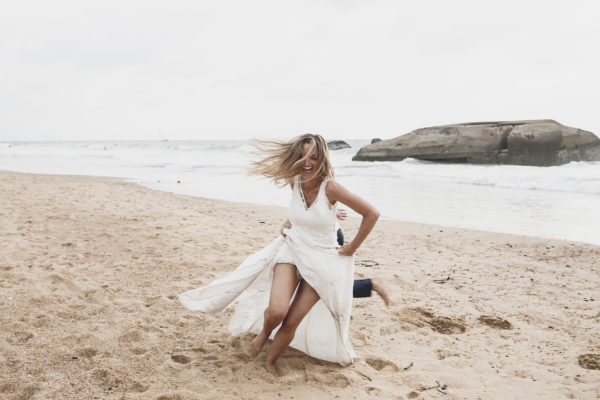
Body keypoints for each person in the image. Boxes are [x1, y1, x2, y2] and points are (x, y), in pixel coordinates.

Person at [178, 134, 379, 375]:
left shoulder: (331, 187)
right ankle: (264, 333)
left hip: (322, 259)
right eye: (303, 156)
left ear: (321, 159)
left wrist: (352, 247)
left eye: (313, 157)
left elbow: (372, 214)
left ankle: (270, 361)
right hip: (292, 249)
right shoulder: (294, 181)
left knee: (291, 321)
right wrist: (288, 222)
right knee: (277, 311)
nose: (307, 163)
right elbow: (302, 213)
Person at [281, 210, 391, 306]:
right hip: (313, 236)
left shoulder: (327, 187)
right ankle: (371, 284)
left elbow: (318, 197)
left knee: (324, 285)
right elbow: (303, 202)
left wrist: (352, 247)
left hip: (324, 238)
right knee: (316, 284)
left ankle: (372, 284)